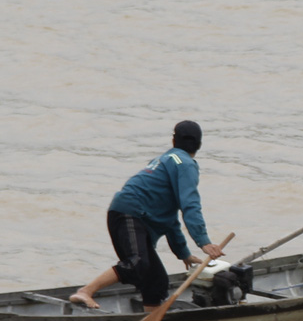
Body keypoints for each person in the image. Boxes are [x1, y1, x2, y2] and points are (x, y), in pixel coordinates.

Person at [70, 121, 224, 310]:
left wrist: (184, 254)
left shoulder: (167, 159)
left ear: (173, 140)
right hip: (131, 213)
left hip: (123, 212)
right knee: (137, 264)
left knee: (156, 281)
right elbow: (190, 205)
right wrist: (204, 242)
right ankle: (85, 291)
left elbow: (170, 220)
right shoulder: (185, 164)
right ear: (199, 144)